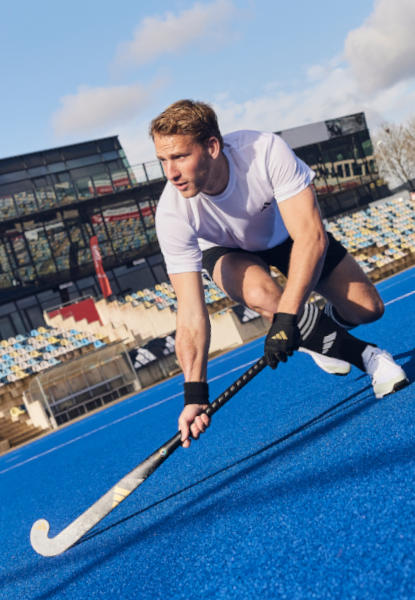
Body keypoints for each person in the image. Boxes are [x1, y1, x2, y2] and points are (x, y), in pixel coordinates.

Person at [149, 99, 409, 448]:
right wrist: (194, 393)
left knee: (367, 309)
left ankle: (317, 328)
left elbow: (311, 236)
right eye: (163, 160)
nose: (171, 172)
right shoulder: (171, 212)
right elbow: (191, 312)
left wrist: (290, 319)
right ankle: (371, 358)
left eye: (180, 156)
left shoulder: (264, 151)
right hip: (227, 250)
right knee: (263, 295)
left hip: (288, 235)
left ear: (211, 147)